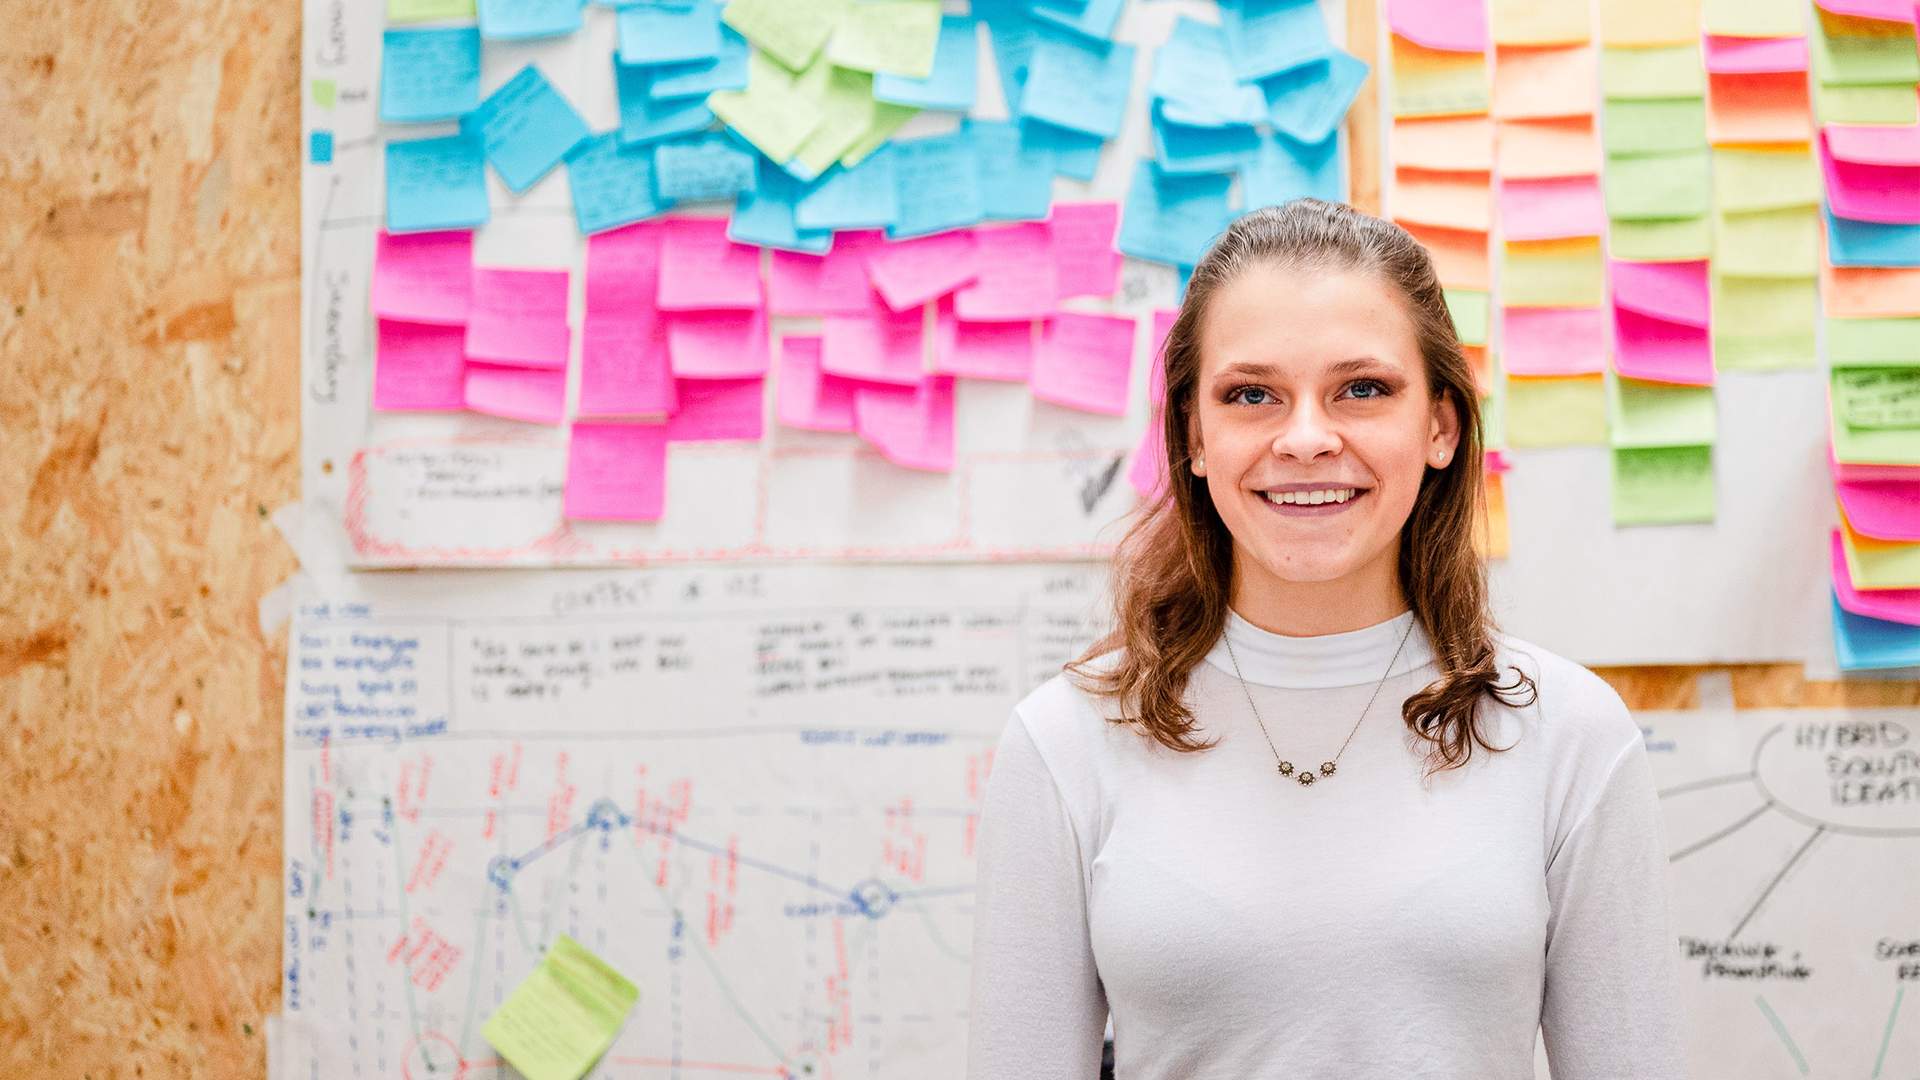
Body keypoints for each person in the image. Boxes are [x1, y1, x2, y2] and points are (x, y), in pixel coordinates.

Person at [965, 199, 1687, 1079]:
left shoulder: (1570, 733)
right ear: (1194, 435)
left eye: (1363, 388)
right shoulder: (1065, 741)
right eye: (1252, 395)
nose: (1306, 438)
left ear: (1441, 427)